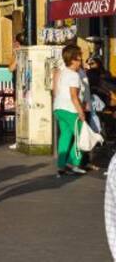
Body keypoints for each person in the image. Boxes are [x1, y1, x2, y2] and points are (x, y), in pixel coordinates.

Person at [53, 44, 88, 177]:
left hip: (59, 108)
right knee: (81, 136)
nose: (81, 62)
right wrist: (81, 112)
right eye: (79, 59)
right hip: (70, 109)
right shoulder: (74, 75)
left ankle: (61, 166)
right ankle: (74, 163)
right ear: (73, 60)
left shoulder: (63, 72)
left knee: (65, 136)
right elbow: (74, 96)